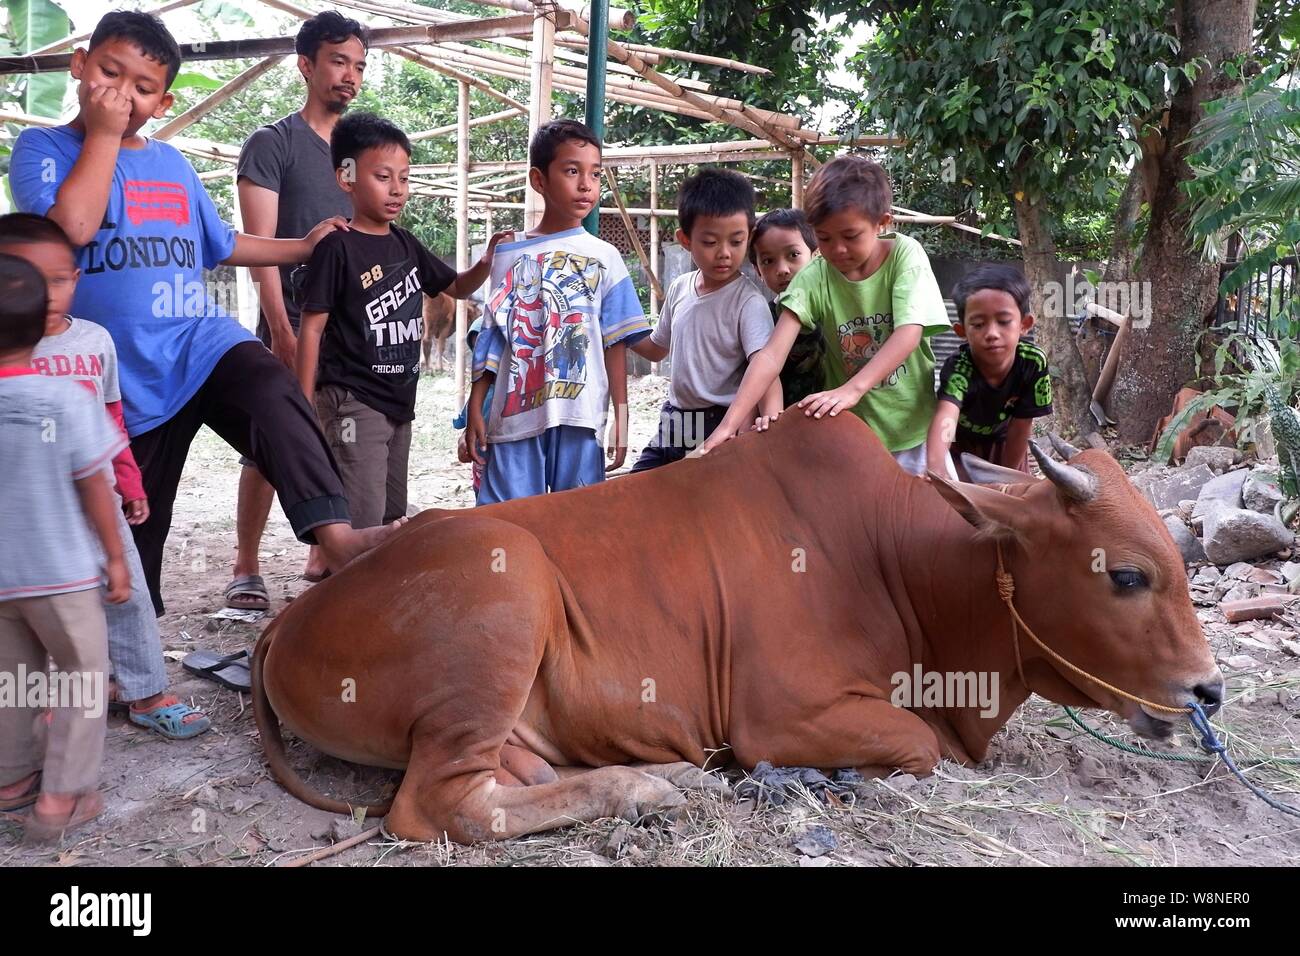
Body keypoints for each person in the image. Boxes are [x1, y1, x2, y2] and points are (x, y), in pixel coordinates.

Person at [8, 10, 401, 615]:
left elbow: (224, 245)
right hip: (124, 376)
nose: (122, 94)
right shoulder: (42, 147)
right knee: (140, 524)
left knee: (275, 394)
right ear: (78, 66)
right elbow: (71, 230)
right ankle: (132, 658)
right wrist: (107, 136)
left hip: (197, 342)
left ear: (163, 103)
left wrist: (305, 244)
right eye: (110, 73)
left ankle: (334, 535)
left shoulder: (172, 165)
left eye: (142, 88)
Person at [1, 212, 210, 738]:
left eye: (57, 278)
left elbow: (111, 419)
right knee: (37, 611)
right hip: (30, 516)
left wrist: (131, 482)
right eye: (24, 277)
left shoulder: (94, 341)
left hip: (99, 502)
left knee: (129, 594)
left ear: (76, 279)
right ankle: (47, 705)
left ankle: (144, 692)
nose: (44, 293)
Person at [297, 113, 509, 528]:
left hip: (399, 401)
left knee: (392, 512)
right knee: (363, 519)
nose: (397, 189)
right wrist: (303, 405)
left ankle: (359, 582)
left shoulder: (405, 244)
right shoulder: (336, 248)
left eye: (405, 178)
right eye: (383, 177)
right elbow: (312, 328)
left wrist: (486, 261)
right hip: (353, 403)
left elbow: (459, 287)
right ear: (347, 178)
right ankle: (348, 588)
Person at [227, 10, 371, 607]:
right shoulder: (272, 144)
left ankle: (324, 553)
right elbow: (261, 248)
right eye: (339, 61)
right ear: (306, 65)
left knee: (345, 431)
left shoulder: (360, 148)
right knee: (271, 438)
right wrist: (280, 330)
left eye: (359, 65)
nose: (351, 76)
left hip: (351, 323)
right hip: (290, 314)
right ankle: (246, 564)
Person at [698, 155, 954, 479]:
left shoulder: (905, 255)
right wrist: (729, 425)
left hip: (915, 433)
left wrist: (852, 389)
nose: (837, 250)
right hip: (853, 437)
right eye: (825, 237)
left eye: (850, 236)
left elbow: (908, 333)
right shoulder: (815, 275)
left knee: (947, 519)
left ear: (882, 222)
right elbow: (770, 356)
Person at [0, 253, 127, 841]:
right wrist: (117, 556)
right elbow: (96, 487)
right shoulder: (65, 400)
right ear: (41, 329)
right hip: (63, 577)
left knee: (14, 679)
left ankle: (10, 780)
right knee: (81, 677)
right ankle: (59, 797)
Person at [465, 119, 651, 503]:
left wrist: (622, 414)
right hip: (513, 416)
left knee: (580, 526)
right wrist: (474, 407)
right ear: (539, 179)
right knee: (507, 522)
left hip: (580, 415)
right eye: (572, 171)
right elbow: (492, 340)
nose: (586, 184)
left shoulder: (606, 257)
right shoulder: (508, 252)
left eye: (595, 173)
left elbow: (614, 342)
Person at [628, 167, 778, 471]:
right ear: (685, 239)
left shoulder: (748, 302)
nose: (724, 253)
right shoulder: (679, 288)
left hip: (718, 422)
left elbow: (766, 367)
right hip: (674, 418)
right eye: (710, 242)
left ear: (749, 236)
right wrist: (621, 330)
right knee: (637, 489)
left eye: (736, 242)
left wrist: (768, 428)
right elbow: (658, 347)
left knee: (695, 506)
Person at [926, 264, 1052, 478]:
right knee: (958, 503)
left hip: (1004, 444)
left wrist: (1007, 475)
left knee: (1012, 499)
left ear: (1024, 324)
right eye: (978, 324)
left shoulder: (1033, 363)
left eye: (1003, 322)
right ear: (961, 331)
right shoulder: (958, 367)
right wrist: (936, 467)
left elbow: (1021, 426)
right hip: (959, 447)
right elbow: (947, 415)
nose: (992, 333)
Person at [748, 208, 825, 406]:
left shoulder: (831, 309)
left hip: (833, 417)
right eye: (768, 261)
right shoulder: (761, 318)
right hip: (777, 419)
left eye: (793, 255)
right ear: (758, 271)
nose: (782, 269)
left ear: (816, 256)